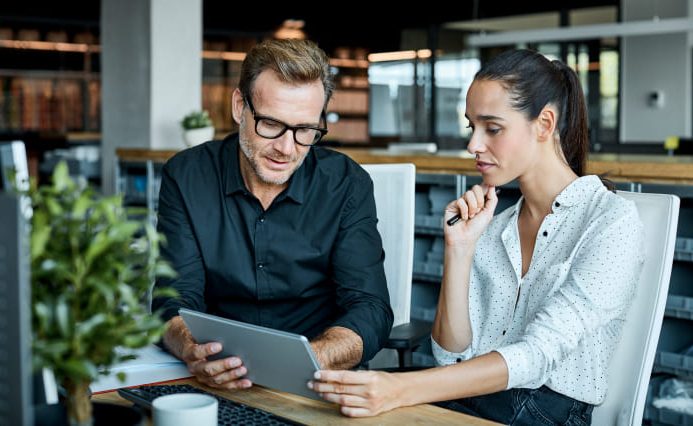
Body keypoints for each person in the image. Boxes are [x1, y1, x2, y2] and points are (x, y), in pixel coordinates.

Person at [309, 49, 645, 424]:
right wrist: (460, 250)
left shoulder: (611, 221)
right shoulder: (495, 226)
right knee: (336, 406)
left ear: (544, 124)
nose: (473, 145)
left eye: (493, 128)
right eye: (472, 127)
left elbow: (536, 356)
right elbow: (450, 356)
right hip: (479, 398)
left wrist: (400, 389)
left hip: (548, 412)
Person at [153, 39, 393, 391]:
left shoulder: (347, 185)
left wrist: (310, 359)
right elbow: (173, 299)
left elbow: (370, 309)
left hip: (316, 379)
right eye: (270, 124)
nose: (286, 148)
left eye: (305, 130)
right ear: (239, 107)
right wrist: (192, 349)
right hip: (215, 377)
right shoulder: (187, 176)